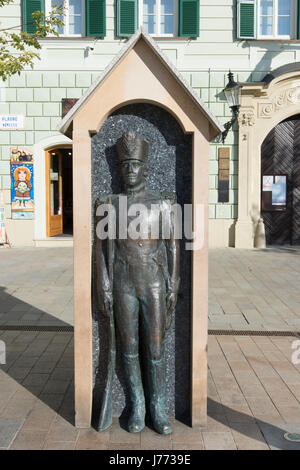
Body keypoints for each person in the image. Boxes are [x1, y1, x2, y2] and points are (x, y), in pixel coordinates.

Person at [96, 132, 180, 434]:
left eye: (134, 165)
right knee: (129, 348)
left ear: (145, 168)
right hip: (122, 284)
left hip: (155, 284)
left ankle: (158, 408)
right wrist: (103, 283)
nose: (129, 170)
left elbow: (173, 246)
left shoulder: (163, 204)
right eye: (124, 166)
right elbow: (101, 250)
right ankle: (138, 405)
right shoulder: (110, 204)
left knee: (155, 348)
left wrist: (175, 282)